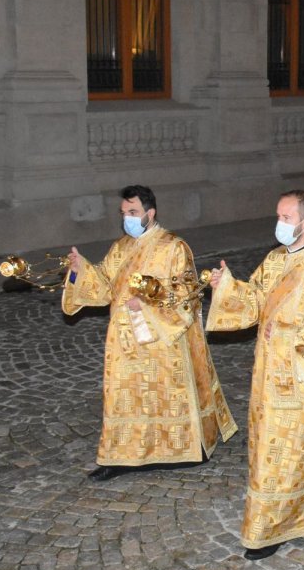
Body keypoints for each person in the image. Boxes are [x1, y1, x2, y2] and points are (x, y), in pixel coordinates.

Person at [205, 190, 304, 561]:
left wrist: (288, 337)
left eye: (286, 218)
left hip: (303, 379)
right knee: (267, 446)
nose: (279, 224)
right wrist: (225, 286)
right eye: (278, 216)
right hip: (268, 376)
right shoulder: (274, 261)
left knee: (289, 452)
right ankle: (275, 513)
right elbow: (254, 301)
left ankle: (274, 525)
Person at [63, 185, 238, 481]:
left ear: (150, 213)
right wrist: (81, 269)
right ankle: (119, 457)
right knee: (124, 396)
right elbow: (104, 284)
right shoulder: (121, 247)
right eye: (123, 213)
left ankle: (184, 449)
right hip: (124, 341)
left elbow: (186, 294)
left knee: (164, 395)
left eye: (133, 213)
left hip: (161, 340)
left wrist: (147, 303)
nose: (127, 219)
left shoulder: (173, 246)